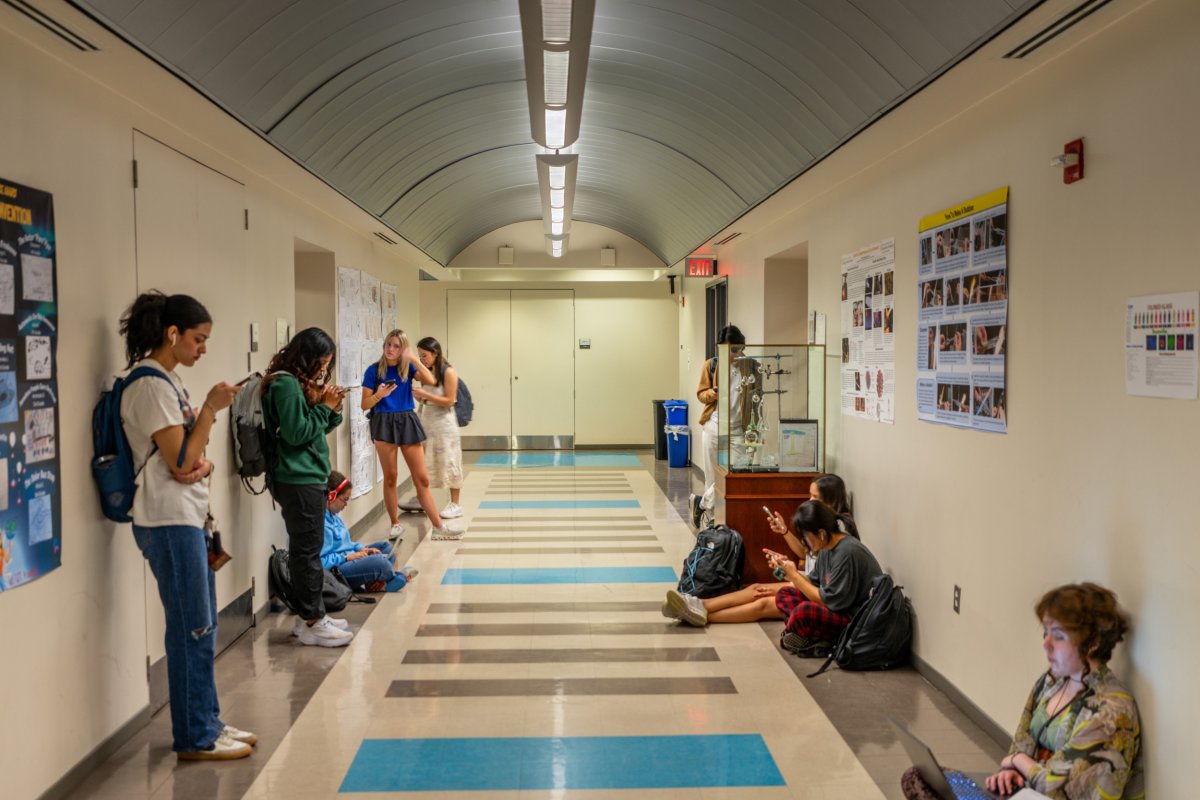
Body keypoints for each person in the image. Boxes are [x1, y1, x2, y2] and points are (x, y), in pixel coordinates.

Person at [117, 291, 256, 760]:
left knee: (204, 624)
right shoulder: (149, 386)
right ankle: (195, 735)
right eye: (198, 339)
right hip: (166, 521)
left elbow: (191, 457)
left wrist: (199, 462)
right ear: (172, 334)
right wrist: (213, 410)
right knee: (191, 628)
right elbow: (181, 458)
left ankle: (208, 721)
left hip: (186, 516)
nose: (202, 349)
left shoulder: (168, 382)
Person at [903, 583, 1143, 799]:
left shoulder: (1112, 711)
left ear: (1093, 644)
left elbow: (1060, 788)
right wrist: (1009, 772)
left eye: (1058, 637)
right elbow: (1021, 741)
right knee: (918, 777)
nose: (1046, 644)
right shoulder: (1052, 680)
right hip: (1027, 792)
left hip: (1050, 795)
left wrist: (1018, 762)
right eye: (1045, 633)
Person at [664, 501, 882, 657]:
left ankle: (699, 611)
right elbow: (813, 583)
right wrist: (788, 573)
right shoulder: (828, 547)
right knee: (777, 593)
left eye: (806, 536)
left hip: (853, 619)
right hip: (833, 604)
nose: (805, 543)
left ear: (822, 533)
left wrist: (794, 575)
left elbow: (829, 601)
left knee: (799, 611)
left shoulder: (847, 553)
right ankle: (700, 608)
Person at [262, 327, 354, 648]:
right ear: (306, 356)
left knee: (308, 550)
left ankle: (309, 619)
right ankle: (314, 620)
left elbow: (314, 430)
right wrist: (324, 407)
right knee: (307, 553)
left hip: (308, 475)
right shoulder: (285, 384)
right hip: (297, 479)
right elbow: (297, 433)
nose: (323, 370)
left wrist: (332, 407)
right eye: (321, 362)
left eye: (328, 364)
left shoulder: (295, 384)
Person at [362, 329, 464, 541]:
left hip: (407, 420)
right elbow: (364, 404)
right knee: (391, 478)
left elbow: (432, 380)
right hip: (383, 421)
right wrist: (379, 395)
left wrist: (414, 361)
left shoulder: (407, 368)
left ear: (403, 350)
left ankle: (438, 527)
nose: (391, 349)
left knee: (422, 479)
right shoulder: (373, 371)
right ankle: (395, 524)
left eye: (397, 346)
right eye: (388, 344)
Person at [321, 471, 418, 592]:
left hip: (348, 558)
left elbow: (347, 544)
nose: (346, 504)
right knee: (381, 563)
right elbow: (321, 562)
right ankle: (392, 579)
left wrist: (361, 549)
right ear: (331, 496)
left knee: (386, 548)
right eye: (344, 499)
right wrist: (347, 557)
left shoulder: (333, 516)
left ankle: (377, 580)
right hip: (338, 571)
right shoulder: (321, 524)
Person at [690, 325, 746, 528]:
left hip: (739, 429)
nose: (729, 355)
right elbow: (700, 393)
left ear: (741, 347)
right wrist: (711, 394)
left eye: (732, 350)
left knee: (734, 474)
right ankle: (714, 522)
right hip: (714, 426)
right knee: (712, 476)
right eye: (724, 350)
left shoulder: (749, 366)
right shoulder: (711, 365)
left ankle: (701, 503)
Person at [410, 337, 464, 521]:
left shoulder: (448, 372)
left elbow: (449, 400)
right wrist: (420, 396)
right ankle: (422, 498)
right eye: (419, 356)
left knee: (449, 461)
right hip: (427, 421)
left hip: (445, 424)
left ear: (435, 353)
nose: (422, 360)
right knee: (425, 461)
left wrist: (425, 394)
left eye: (424, 355)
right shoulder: (425, 373)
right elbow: (429, 398)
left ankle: (455, 503)